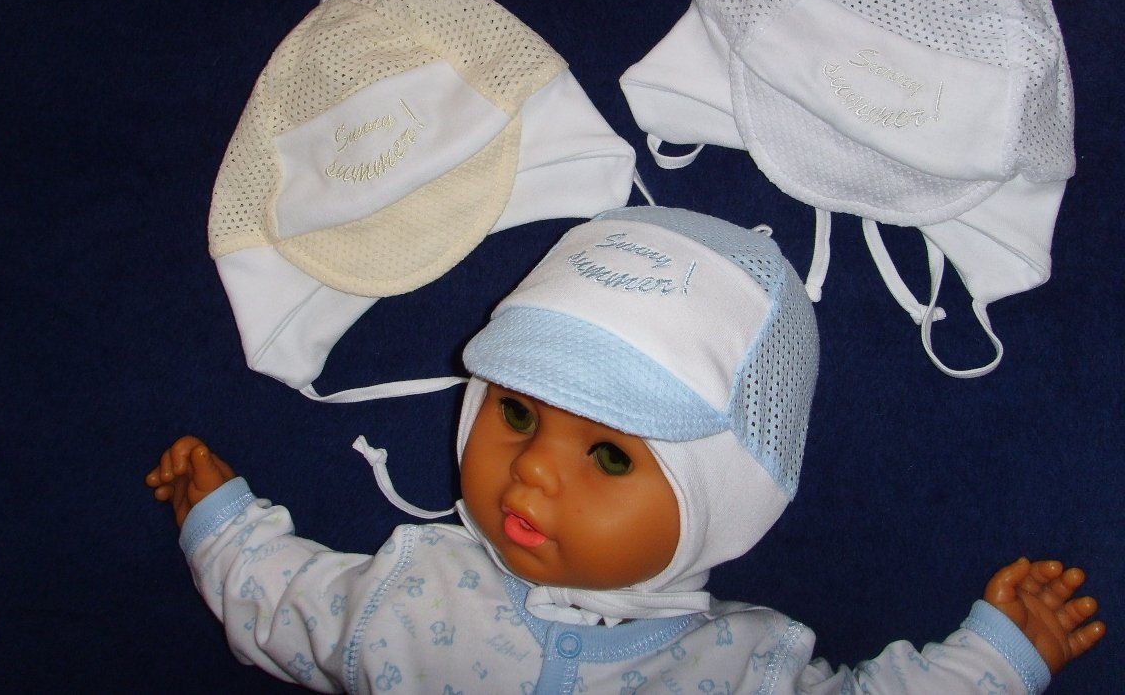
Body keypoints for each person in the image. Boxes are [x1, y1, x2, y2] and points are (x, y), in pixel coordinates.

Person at [148, 207, 1104, 693]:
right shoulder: (406, 594)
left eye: (609, 456)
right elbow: (292, 606)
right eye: (515, 412)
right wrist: (226, 529)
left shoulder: (741, 668)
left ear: (723, 504)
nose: (531, 469)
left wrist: (993, 661)